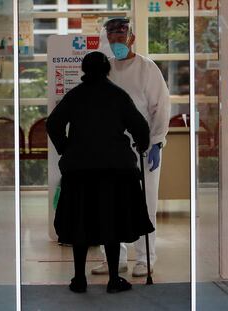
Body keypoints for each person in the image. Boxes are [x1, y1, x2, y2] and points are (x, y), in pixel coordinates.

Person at [46, 51, 154, 294]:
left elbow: (52, 123)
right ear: (108, 70)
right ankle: (114, 279)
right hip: (115, 171)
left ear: (84, 70)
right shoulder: (118, 95)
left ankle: (79, 279)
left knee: (80, 222)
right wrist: (141, 143)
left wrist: (66, 147)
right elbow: (140, 126)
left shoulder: (75, 96)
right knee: (112, 223)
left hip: (80, 171)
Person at [92, 18, 171, 277]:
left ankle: (146, 257)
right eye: (112, 38)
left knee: (145, 203)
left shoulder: (147, 68)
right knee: (110, 202)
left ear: (132, 38)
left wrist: (157, 141)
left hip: (143, 147)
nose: (117, 42)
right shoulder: (106, 70)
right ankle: (114, 257)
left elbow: (161, 107)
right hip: (112, 148)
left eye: (121, 36)